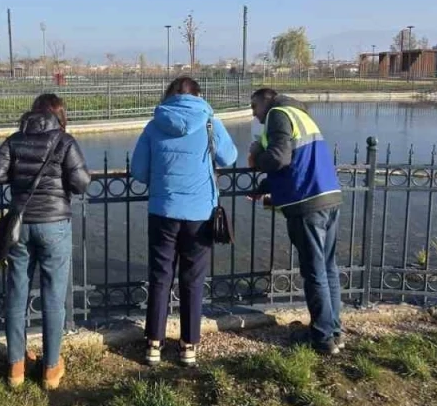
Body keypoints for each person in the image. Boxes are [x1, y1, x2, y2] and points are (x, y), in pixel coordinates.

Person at [0, 93, 91, 389]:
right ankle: (50, 369)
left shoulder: (15, 139)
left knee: (17, 294)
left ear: (33, 113)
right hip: (54, 226)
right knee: (53, 297)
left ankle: (16, 368)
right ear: (59, 115)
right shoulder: (65, 141)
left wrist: (18, 177)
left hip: (20, 226)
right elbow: (82, 183)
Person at [130, 77, 237, 368]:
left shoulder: (154, 124)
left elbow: (138, 170)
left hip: (163, 211)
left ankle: (153, 344)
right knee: (193, 280)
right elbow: (229, 156)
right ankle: (188, 346)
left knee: (160, 276)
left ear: (169, 95)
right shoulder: (210, 122)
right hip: (200, 214)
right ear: (198, 96)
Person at [247, 88, 344, 354]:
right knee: (328, 268)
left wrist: (257, 156)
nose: (255, 115)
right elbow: (297, 160)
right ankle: (335, 331)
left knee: (314, 271)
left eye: (254, 107)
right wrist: (266, 185)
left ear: (266, 101)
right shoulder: (300, 114)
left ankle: (322, 339)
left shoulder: (277, 114)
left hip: (307, 202)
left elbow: (279, 157)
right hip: (328, 195)